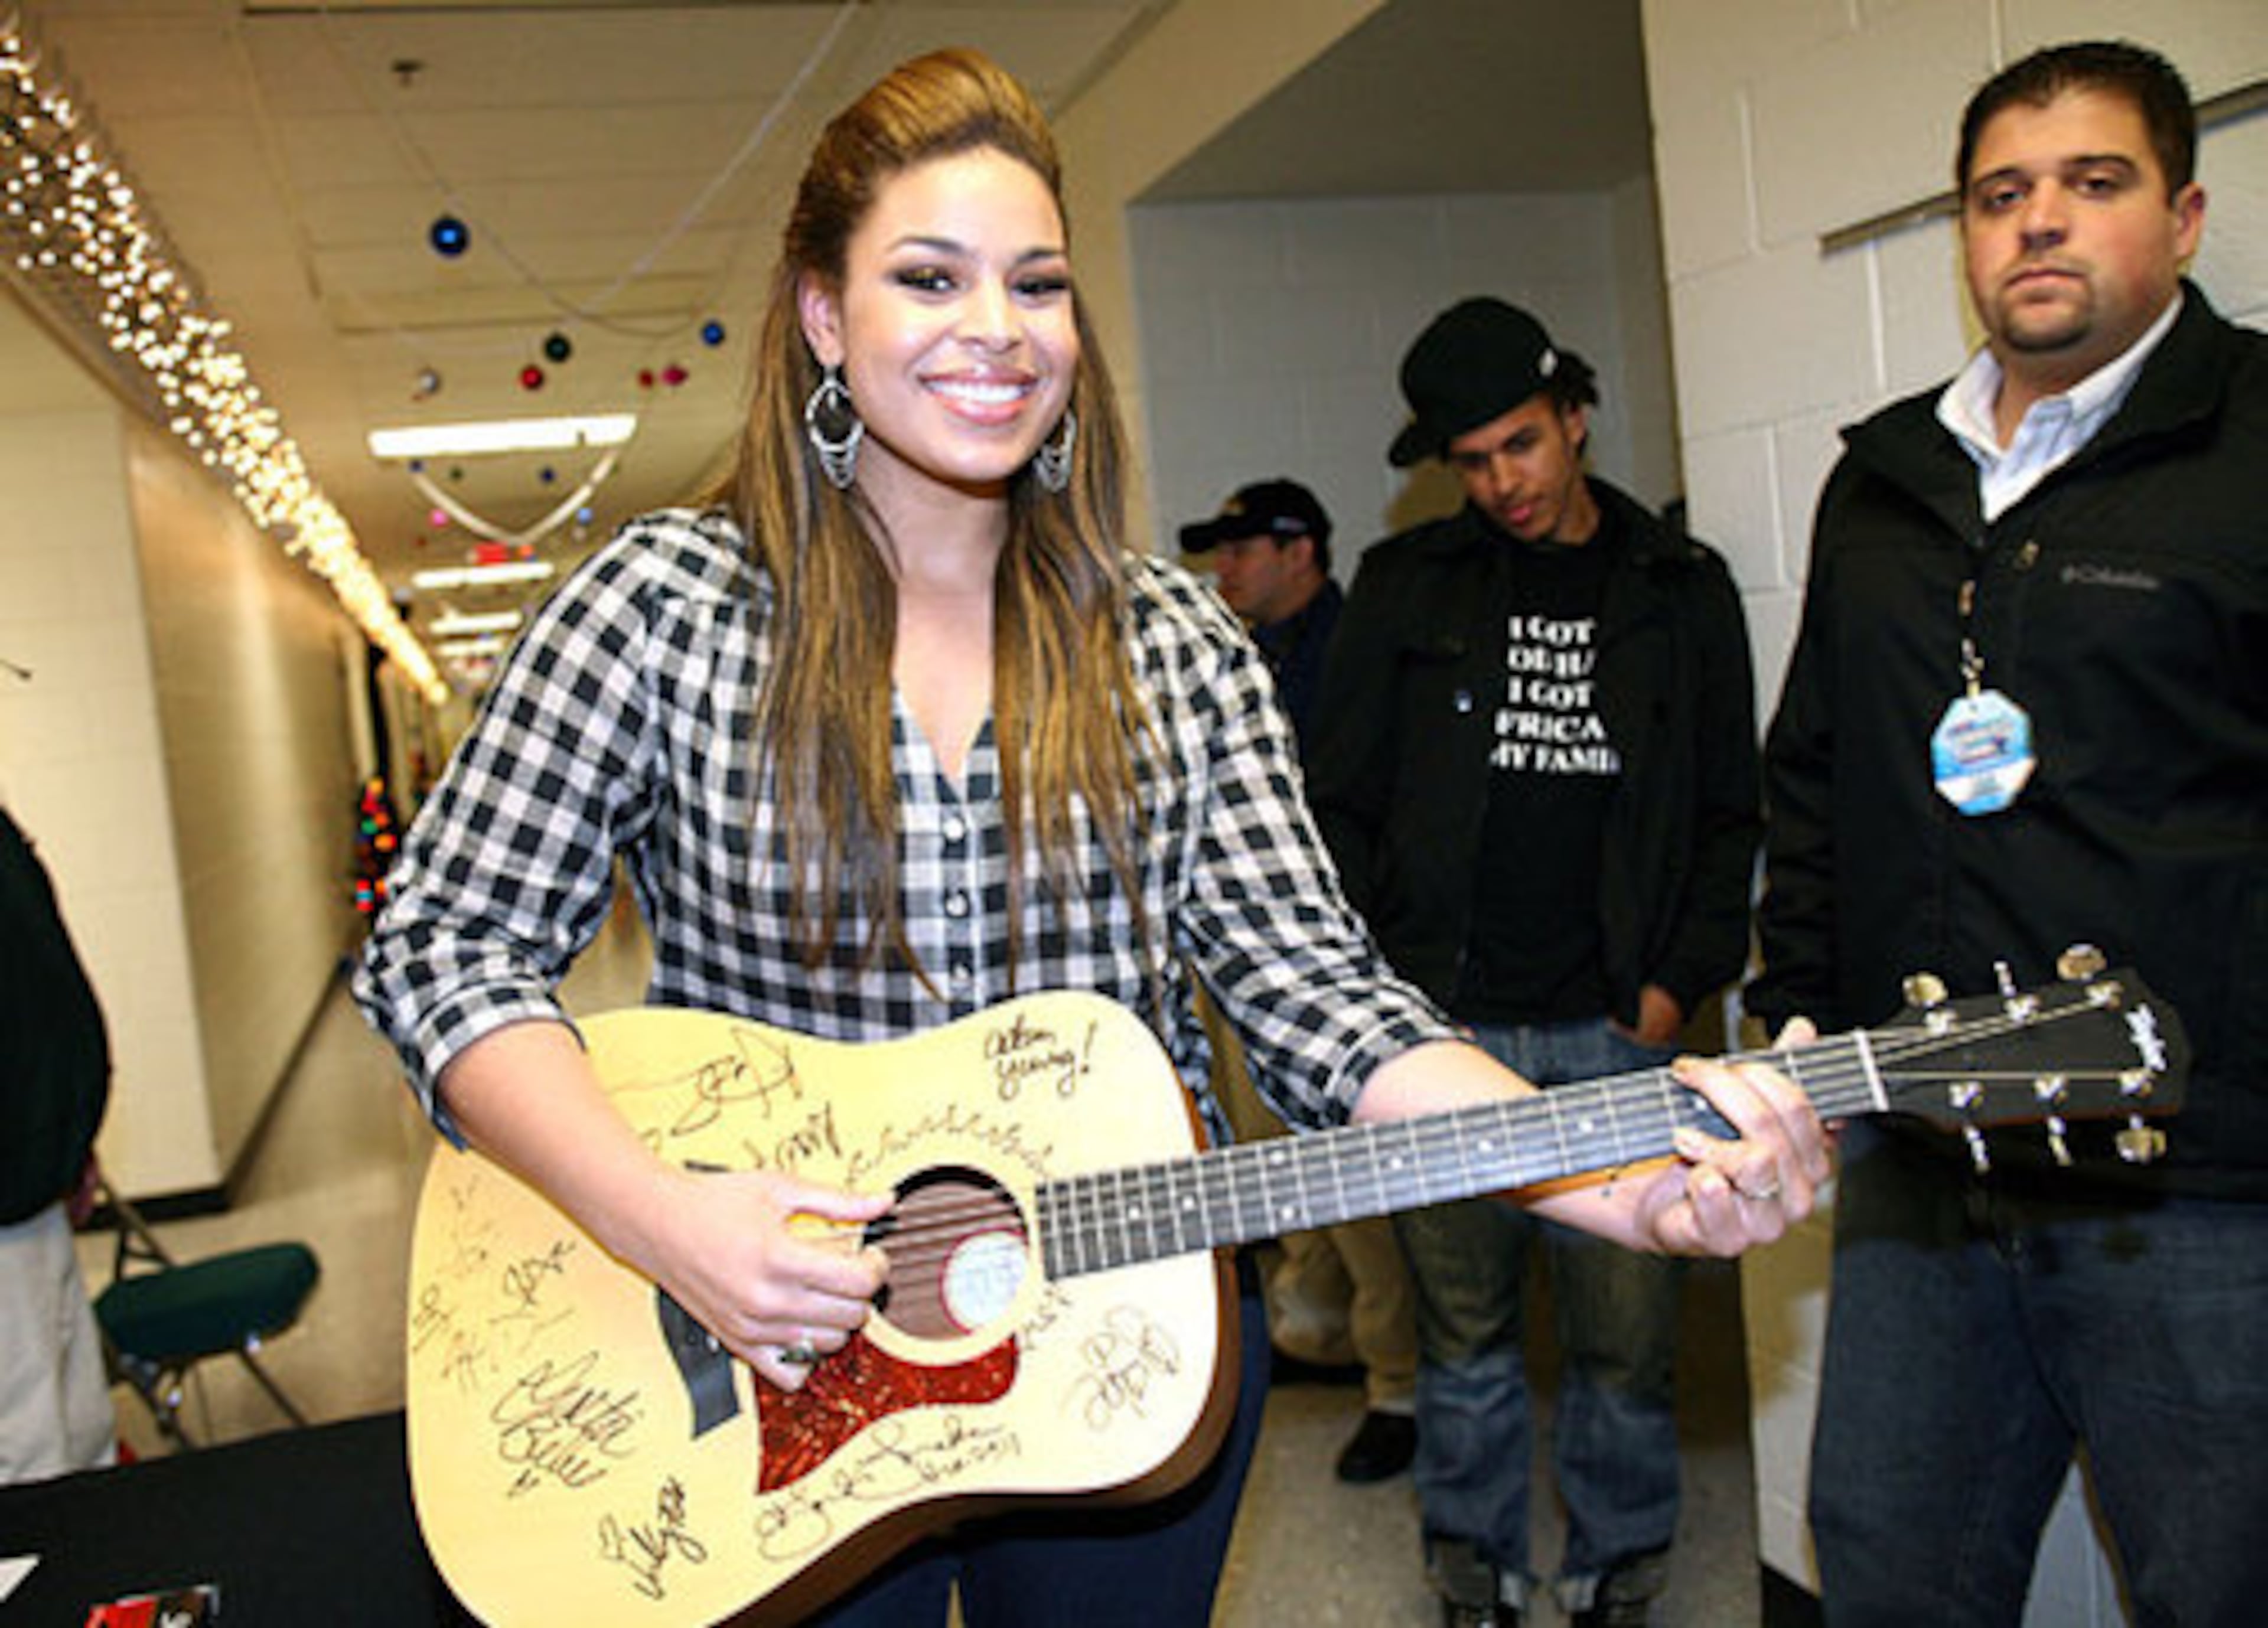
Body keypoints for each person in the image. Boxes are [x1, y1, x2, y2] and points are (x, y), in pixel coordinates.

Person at [355, 49, 1823, 1628]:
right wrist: (664, 1217)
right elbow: (444, 940)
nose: (998, 327)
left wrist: (1634, 1178)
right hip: (756, 1345)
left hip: (1127, 1333)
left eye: (1038, 283)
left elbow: (1325, 998)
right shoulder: (670, 608)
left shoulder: (1172, 643)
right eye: (931, 276)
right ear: (824, 321)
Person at [1746, 37, 2268, 1627]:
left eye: (2091, 184)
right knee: (1890, 1563)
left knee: (2219, 1585)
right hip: (1923, 1155)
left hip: (2200, 1182)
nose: (2039, 222)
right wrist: (1801, 1044)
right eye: (2001, 194)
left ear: (2180, 216)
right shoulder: (1884, 481)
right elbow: (1817, 783)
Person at [1306, 299, 1764, 1627]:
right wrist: (1379, 1003)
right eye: (1473, 459)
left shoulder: (1681, 591)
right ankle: (1472, 1559)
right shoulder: (1408, 590)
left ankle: (1622, 1561)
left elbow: (1728, 811)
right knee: (1464, 1330)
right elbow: (1339, 800)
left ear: (1575, 414)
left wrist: (1675, 989)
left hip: (1620, 1028)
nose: (1504, 482)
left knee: (1627, 1338)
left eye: (1522, 443)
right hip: (1442, 1036)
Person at [1179, 478, 1421, 1485]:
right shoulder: (1247, 657)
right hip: (1243, 966)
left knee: (1358, 1195)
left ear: (1301, 549)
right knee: (1289, 1176)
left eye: (1242, 548)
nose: (1224, 568)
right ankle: (1321, 1338)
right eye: (1219, 550)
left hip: (1335, 966)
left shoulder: (1355, 652)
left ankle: (1399, 1388)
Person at [1, 804, 116, 1484]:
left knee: (81, 1426)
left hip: (40, 1174)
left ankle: (91, 1583)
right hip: (10, 1190)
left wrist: (72, 1145)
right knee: (30, 1445)